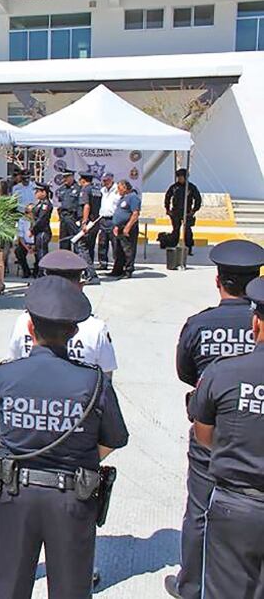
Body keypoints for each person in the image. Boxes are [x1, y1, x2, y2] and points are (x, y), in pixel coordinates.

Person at [0, 275, 129, 599]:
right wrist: (79, 455)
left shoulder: (3, 375)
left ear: (30, 329)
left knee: (9, 586)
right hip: (72, 497)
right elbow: (114, 438)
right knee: (71, 588)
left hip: (16, 493)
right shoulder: (95, 383)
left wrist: (26, 450)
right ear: (74, 332)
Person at [164, 238, 264, 599]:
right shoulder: (256, 320)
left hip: (212, 430)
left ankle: (191, 584)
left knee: (200, 510)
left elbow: (186, 373)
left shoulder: (200, 324)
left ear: (218, 280)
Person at [187, 274, 264, 597]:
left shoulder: (225, 372)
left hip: (237, 503)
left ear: (255, 324)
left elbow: (203, 431)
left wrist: (231, 450)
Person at [8, 250, 118, 375]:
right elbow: (106, 376)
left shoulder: (24, 321)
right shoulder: (95, 328)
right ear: (81, 285)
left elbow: (14, 364)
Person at [165, 168, 202, 255]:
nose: (179, 179)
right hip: (175, 212)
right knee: (175, 230)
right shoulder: (174, 187)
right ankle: (173, 247)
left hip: (187, 212)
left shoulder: (191, 187)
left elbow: (198, 199)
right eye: (178, 177)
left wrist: (194, 210)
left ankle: (188, 248)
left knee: (187, 231)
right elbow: (167, 197)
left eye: (181, 177)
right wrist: (167, 209)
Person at [109, 180, 141, 279]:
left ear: (125, 187)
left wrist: (127, 227)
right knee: (119, 250)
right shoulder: (123, 198)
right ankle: (117, 270)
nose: (118, 190)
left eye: (119, 188)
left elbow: (135, 214)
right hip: (119, 227)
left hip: (128, 227)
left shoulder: (133, 197)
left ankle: (128, 270)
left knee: (128, 249)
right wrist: (116, 226)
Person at [74, 173, 101, 285]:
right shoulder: (97, 190)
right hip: (95, 223)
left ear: (83, 181)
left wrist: (84, 222)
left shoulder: (85, 190)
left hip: (87, 222)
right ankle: (86, 272)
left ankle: (91, 274)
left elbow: (86, 205)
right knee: (89, 248)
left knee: (81, 247)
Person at [96, 173, 119, 270]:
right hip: (103, 219)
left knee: (115, 243)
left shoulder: (117, 190)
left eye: (106, 180)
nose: (104, 182)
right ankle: (103, 263)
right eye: (103, 180)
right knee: (102, 242)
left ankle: (117, 265)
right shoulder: (102, 190)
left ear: (111, 179)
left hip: (113, 219)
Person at [55, 170, 82, 251]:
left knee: (76, 239)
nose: (64, 179)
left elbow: (81, 205)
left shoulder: (78, 188)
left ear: (72, 177)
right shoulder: (62, 189)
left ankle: (77, 261)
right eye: (63, 177)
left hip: (73, 217)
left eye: (66, 177)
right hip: (63, 217)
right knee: (63, 240)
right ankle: (64, 260)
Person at [30, 184, 53, 266]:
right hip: (38, 232)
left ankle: (43, 272)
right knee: (38, 253)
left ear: (44, 193)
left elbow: (41, 220)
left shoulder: (45, 204)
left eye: (38, 191)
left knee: (42, 254)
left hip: (43, 231)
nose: (36, 193)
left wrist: (32, 230)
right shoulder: (39, 203)